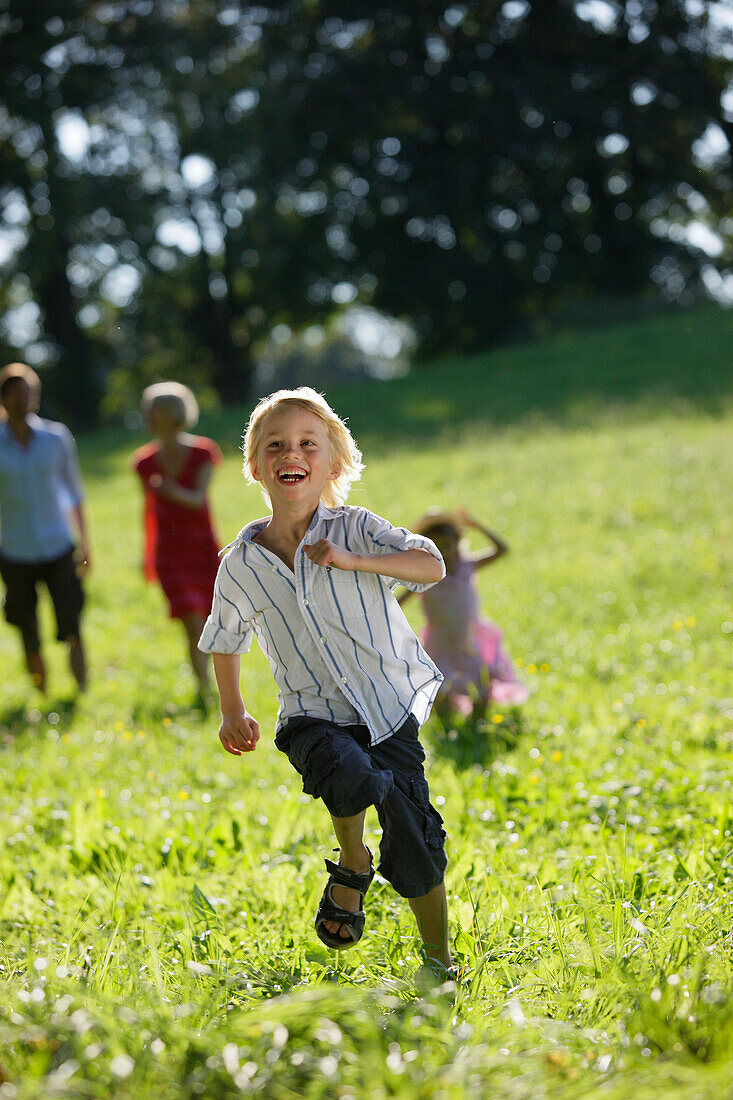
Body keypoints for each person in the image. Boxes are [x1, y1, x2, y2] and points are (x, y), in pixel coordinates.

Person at [198, 387, 453, 973]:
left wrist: (354, 562)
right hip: (310, 715)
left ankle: (438, 961)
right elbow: (224, 636)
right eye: (276, 445)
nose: (292, 453)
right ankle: (353, 858)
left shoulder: (357, 529)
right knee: (349, 773)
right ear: (256, 466)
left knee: (415, 839)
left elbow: (431, 564)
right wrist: (232, 710)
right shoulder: (241, 562)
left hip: (386, 710)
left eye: (308, 444)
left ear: (332, 464)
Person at [0, 362, 90, 694]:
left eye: (28, 395)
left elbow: (76, 492)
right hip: (14, 551)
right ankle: (42, 693)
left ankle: (81, 691)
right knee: (27, 629)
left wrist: (86, 544)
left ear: (35, 398)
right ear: (3, 399)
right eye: (15, 395)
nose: (23, 402)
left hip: (58, 544)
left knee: (71, 622)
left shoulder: (56, 438)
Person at [131, 382, 222, 697]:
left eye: (151, 410)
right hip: (169, 552)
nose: (146, 416)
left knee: (209, 618)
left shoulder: (203, 452)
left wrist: (171, 492)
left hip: (201, 548)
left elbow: (199, 499)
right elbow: (149, 514)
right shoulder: (143, 463)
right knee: (191, 619)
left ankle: (210, 681)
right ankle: (204, 686)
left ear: (171, 413)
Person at [400, 508, 528, 721]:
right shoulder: (425, 575)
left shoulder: (467, 566)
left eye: (447, 545)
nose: (442, 551)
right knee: (438, 688)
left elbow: (501, 550)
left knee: (480, 682)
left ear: (457, 542)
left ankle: (478, 723)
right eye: (436, 546)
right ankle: (446, 725)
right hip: (439, 641)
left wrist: (478, 527)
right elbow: (398, 601)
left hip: (469, 636)